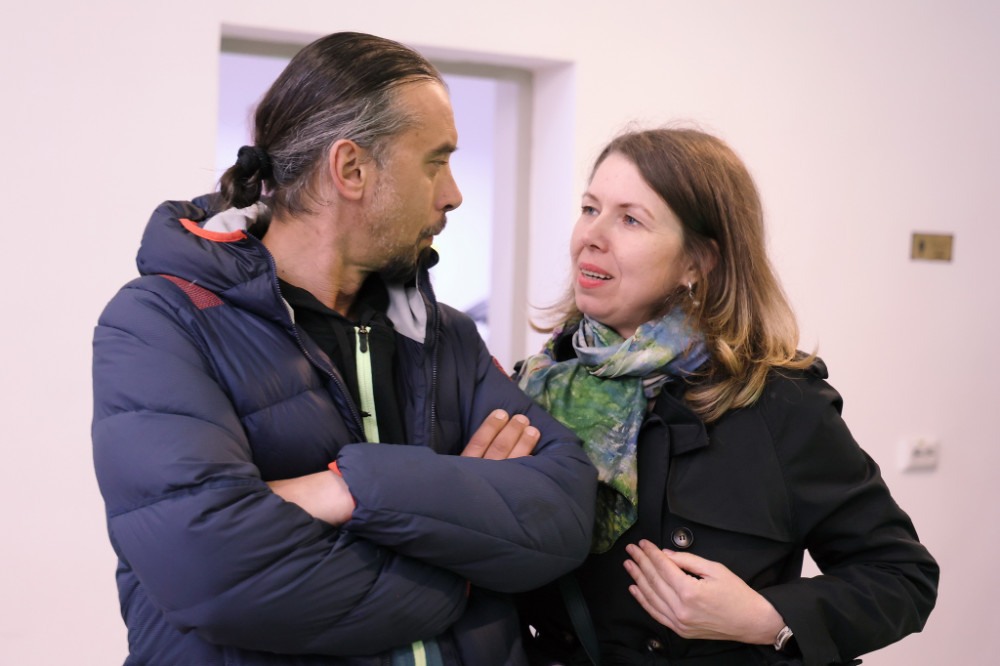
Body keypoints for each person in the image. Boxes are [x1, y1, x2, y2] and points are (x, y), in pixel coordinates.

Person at [91, 32, 597, 666]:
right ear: (351, 169)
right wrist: (466, 560)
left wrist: (347, 490)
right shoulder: (159, 322)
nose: (453, 194)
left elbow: (562, 517)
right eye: (435, 162)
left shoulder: (448, 337)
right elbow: (213, 570)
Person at [514, 127, 938, 666]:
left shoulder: (782, 403)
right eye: (589, 208)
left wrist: (767, 618)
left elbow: (902, 578)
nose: (591, 236)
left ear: (698, 261)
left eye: (630, 219)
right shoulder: (536, 385)